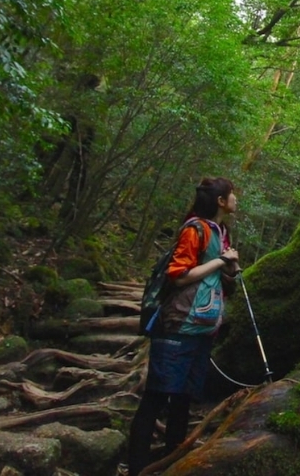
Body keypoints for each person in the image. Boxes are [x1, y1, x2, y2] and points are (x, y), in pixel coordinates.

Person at [126, 177, 240, 475]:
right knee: (156, 396)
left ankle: (173, 463)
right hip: (177, 326)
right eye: (232, 195)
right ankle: (136, 466)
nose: (235, 200)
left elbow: (217, 279)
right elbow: (178, 275)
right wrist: (219, 262)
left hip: (203, 329)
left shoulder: (221, 232)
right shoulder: (195, 229)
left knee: (183, 399)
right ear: (220, 201)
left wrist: (229, 266)